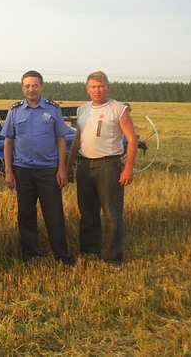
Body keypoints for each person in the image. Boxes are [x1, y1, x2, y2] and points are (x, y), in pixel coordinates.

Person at [1, 70, 75, 265]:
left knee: (54, 215)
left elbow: (61, 139)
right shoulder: (15, 111)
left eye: (35, 85)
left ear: (42, 86)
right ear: (22, 88)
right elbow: (8, 142)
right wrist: (8, 171)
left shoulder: (52, 109)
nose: (31, 89)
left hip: (48, 170)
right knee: (26, 215)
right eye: (27, 86)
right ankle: (30, 255)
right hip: (22, 170)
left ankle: (61, 255)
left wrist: (61, 168)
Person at [66, 71, 138, 269]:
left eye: (100, 86)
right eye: (93, 87)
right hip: (85, 165)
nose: (97, 90)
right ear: (87, 89)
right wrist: (70, 165)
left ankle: (114, 257)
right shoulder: (82, 110)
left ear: (108, 87)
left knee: (112, 214)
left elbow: (132, 139)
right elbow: (77, 140)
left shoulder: (119, 109)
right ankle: (90, 252)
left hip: (109, 165)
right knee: (87, 213)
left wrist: (128, 168)